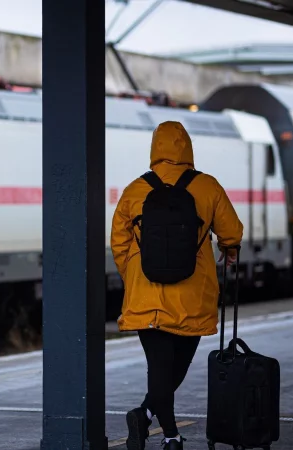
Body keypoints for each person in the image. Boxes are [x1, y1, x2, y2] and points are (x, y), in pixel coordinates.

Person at [110, 121, 243, 450]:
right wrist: (230, 251)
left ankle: (146, 417)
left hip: (147, 298)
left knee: (158, 367)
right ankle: (169, 435)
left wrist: (136, 278)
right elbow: (232, 233)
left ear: (155, 149)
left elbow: (119, 244)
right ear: (187, 148)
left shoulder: (135, 190)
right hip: (192, 297)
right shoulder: (207, 187)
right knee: (175, 370)